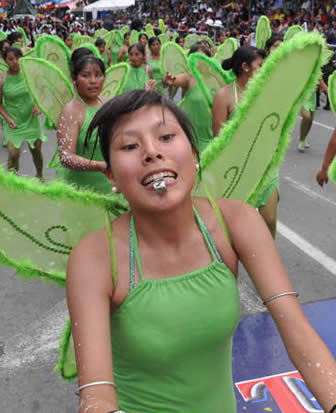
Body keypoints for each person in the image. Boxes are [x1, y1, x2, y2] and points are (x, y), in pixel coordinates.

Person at [67, 89, 336, 413]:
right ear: (111, 176)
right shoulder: (93, 257)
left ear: (194, 155)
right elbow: (96, 396)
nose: (151, 152)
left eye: (166, 136)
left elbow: (298, 331)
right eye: (129, 146)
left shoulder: (236, 221)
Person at [212, 46, 279, 239]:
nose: (264, 69)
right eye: (260, 65)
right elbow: (219, 138)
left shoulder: (267, 91)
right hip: (237, 169)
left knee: (270, 220)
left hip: (266, 164)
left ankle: (267, 258)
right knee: (238, 226)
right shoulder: (223, 96)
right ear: (245, 67)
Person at [56, 55, 111, 194]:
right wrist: (101, 166)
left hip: (114, 184)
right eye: (85, 76)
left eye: (98, 75)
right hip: (84, 190)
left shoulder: (108, 103)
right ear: (74, 80)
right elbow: (66, 157)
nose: (93, 81)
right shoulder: (71, 111)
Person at [0, 47, 46, 178]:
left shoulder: (30, 74)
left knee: (36, 150)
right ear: (5, 61)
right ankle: (13, 181)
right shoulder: (2, 79)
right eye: (11, 59)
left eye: (17, 58)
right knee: (13, 154)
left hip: (31, 118)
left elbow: (43, 92)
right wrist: (8, 118)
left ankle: (39, 175)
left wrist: (39, 105)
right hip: (13, 120)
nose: (15, 61)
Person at [163, 42, 213, 153]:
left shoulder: (216, 80)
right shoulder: (189, 78)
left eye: (202, 58)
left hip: (211, 135)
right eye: (194, 58)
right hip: (191, 134)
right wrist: (171, 80)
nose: (198, 62)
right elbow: (176, 80)